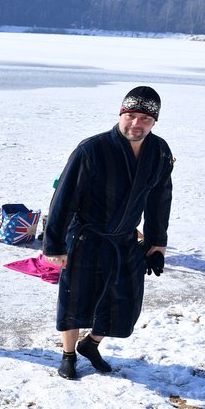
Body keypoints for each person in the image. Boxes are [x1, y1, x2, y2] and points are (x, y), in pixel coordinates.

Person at [43, 86, 173, 380]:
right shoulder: (92, 149)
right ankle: (68, 355)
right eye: (130, 116)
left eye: (144, 118)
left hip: (126, 240)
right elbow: (64, 198)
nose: (135, 124)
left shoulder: (160, 152)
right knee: (76, 299)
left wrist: (157, 243)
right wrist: (54, 245)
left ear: (154, 121)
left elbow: (160, 199)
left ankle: (91, 344)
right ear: (120, 114)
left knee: (123, 302)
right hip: (87, 237)